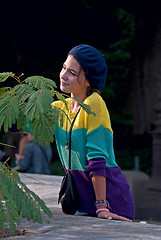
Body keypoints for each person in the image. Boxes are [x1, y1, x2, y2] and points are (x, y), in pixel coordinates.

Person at [52, 44, 135, 222]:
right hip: (82, 206)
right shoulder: (59, 108)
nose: (63, 75)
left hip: (110, 206)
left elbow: (97, 160)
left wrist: (102, 207)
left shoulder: (94, 104)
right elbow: (20, 124)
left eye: (72, 73)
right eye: (64, 68)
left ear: (89, 80)